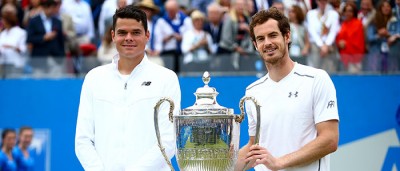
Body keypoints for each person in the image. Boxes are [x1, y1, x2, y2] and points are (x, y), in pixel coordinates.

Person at [75, 5, 181, 170]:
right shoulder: (94, 78)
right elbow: (83, 140)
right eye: (122, 32)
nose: (129, 38)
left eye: (136, 32)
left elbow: (168, 140)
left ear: (147, 36)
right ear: (113, 36)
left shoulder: (166, 78)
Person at [234, 8, 339, 171]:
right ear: (255, 45)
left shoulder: (316, 79)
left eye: (273, 35)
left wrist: (279, 162)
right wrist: (218, 167)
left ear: (287, 36)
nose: (267, 43)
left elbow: (329, 139)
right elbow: (254, 147)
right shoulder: (252, 92)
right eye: (260, 38)